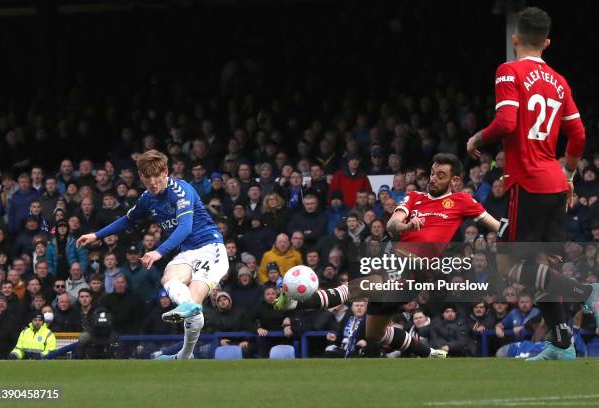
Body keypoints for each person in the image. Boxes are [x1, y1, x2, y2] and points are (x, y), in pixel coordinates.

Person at [466, 7, 599, 361]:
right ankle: (561, 344)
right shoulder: (560, 80)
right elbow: (579, 134)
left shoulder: (508, 71)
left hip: (527, 181)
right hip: (555, 183)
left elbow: (506, 121)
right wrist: (569, 174)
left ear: (515, 39)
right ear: (548, 42)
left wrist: (478, 138)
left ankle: (586, 291)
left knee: (510, 265)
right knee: (544, 270)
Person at [277, 154, 501, 359]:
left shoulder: (462, 201)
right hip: (393, 260)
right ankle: (430, 353)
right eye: (432, 173)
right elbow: (393, 224)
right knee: (374, 334)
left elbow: (495, 225)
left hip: (416, 268)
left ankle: (296, 301)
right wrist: (407, 224)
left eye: (440, 175)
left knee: (359, 286)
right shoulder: (414, 197)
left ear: (454, 181)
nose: (433, 179)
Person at [77, 150, 227, 360]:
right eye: (148, 178)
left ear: (165, 172)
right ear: (141, 177)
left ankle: (185, 351)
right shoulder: (147, 199)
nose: (153, 182)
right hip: (188, 253)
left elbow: (184, 227)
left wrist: (158, 251)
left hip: (212, 249)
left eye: (157, 177)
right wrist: (96, 234)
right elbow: (128, 220)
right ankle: (186, 345)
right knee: (169, 278)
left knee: (193, 298)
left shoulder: (181, 190)